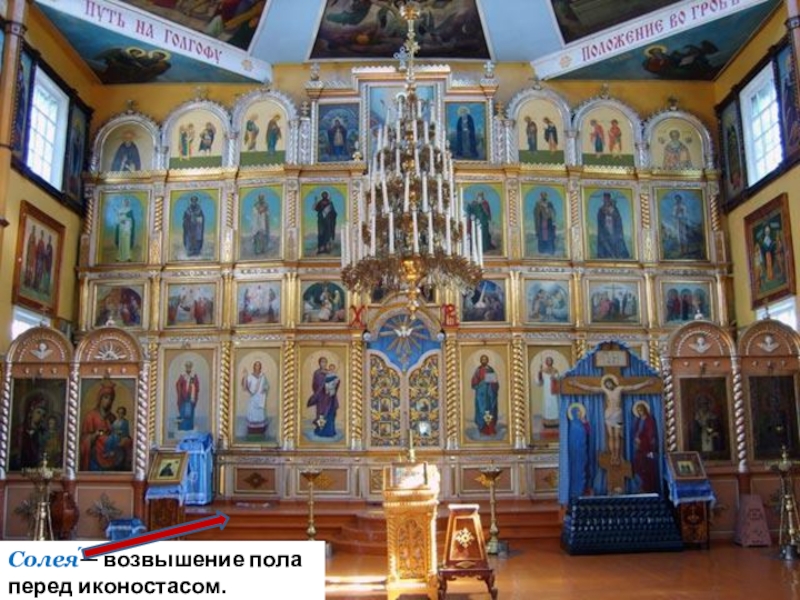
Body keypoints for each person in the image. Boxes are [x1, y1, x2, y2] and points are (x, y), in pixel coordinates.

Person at [570, 374, 656, 465]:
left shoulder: (619, 389)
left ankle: (617, 456)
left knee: (617, 436)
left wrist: (646, 383)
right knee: (611, 436)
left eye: (609, 383)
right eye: (606, 384)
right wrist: (577, 384)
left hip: (618, 414)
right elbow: (590, 388)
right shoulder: (605, 390)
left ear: (613, 382)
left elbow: (633, 387)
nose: (608, 385)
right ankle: (613, 455)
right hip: (608, 415)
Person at [80, 381, 131, 471]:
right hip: (96, 457)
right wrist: (95, 435)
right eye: (106, 398)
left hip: (113, 455)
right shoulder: (91, 416)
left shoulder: (112, 417)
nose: (108, 401)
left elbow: (120, 433)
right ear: (100, 399)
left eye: (111, 399)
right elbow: (84, 439)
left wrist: (125, 440)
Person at [307, 357, 339, 437]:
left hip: (330, 398)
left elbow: (336, 381)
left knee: (330, 414)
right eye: (322, 362)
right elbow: (315, 385)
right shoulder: (317, 373)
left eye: (325, 362)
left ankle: (330, 431)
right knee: (321, 414)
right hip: (321, 398)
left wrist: (335, 383)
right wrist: (322, 388)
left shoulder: (329, 372)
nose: (324, 364)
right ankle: (320, 431)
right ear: (319, 363)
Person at [14, 395, 48, 470]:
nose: (40, 417)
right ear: (31, 412)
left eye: (43, 415)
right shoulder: (20, 430)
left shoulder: (43, 432)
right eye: (38, 412)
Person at [632, 401, 659, 493]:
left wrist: (642, 440)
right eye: (638, 410)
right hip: (639, 447)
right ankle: (641, 486)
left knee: (647, 466)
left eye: (641, 410)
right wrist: (636, 439)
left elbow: (650, 434)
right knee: (639, 466)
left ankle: (648, 487)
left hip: (647, 447)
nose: (640, 412)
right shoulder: (638, 420)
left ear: (645, 409)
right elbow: (636, 431)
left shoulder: (649, 420)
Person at [567, 402, 592, 497]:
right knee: (576, 471)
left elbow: (588, 432)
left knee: (584, 469)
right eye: (577, 413)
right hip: (575, 451)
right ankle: (576, 491)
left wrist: (585, 423)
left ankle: (583, 489)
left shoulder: (583, 423)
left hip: (582, 450)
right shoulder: (573, 424)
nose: (579, 415)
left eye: (580, 413)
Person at [595, 191, 629, 259]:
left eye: (607, 199)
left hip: (614, 229)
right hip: (605, 229)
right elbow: (600, 220)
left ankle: (618, 255)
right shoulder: (601, 210)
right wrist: (605, 215)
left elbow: (618, 218)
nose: (606, 200)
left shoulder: (614, 208)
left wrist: (612, 213)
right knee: (605, 241)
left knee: (617, 240)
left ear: (609, 199)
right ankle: (607, 256)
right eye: (604, 199)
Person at [471, 355, 499, 436]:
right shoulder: (478, 370)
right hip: (481, 395)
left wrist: (492, 384)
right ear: (480, 361)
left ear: (487, 360)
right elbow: (474, 382)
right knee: (481, 410)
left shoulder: (490, 370)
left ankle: (490, 429)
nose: (484, 361)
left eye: (485, 359)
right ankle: (482, 429)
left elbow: (495, 383)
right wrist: (480, 384)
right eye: (482, 359)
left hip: (490, 394)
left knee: (490, 410)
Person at [241, 360, 270, 436]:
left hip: (261, 399)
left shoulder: (263, 376)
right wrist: (245, 376)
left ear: (260, 367)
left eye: (259, 365)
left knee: (260, 414)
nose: (257, 367)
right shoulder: (250, 377)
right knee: (252, 414)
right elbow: (245, 387)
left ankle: (261, 430)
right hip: (253, 399)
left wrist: (264, 389)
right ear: (254, 367)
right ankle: (252, 430)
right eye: (256, 365)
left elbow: (266, 385)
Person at [176, 361, 200, 431]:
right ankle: (183, 427)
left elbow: (197, 386)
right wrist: (182, 391)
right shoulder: (182, 376)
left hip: (191, 398)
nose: (188, 368)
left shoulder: (194, 376)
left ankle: (189, 428)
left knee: (190, 413)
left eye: (190, 367)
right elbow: (178, 385)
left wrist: (193, 388)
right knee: (184, 412)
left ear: (191, 368)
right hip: (183, 398)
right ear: (186, 367)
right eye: (187, 367)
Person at [537, 356, 560, 428]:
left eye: (550, 360)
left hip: (553, 391)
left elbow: (559, 380)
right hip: (546, 392)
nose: (549, 362)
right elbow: (540, 383)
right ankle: (547, 422)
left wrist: (554, 378)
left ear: (552, 362)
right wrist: (540, 374)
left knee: (554, 405)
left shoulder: (555, 370)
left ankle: (555, 422)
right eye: (548, 360)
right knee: (547, 406)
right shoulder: (543, 371)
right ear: (546, 362)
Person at [533, 190, 557, 254]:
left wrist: (549, 211)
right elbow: (536, 214)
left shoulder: (549, 203)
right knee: (542, 236)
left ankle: (550, 250)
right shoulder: (538, 204)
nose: (544, 196)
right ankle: (542, 250)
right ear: (541, 196)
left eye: (545, 195)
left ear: (546, 196)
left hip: (549, 223)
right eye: (542, 195)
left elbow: (553, 212)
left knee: (550, 236)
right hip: (541, 223)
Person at [115, 197, 135, 262]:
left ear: (128, 203)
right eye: (125, 202)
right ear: (123, 203)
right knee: (121, 243)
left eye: (127, 202)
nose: (126, 203)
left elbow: (132, 219)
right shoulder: (120, 210)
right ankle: (119, 257)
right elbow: (117, 219)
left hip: (127, 228)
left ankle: (128, 257)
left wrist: (126, 220)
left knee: (127, 243)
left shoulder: (130, 210)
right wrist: (120, 220)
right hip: (121, 228)